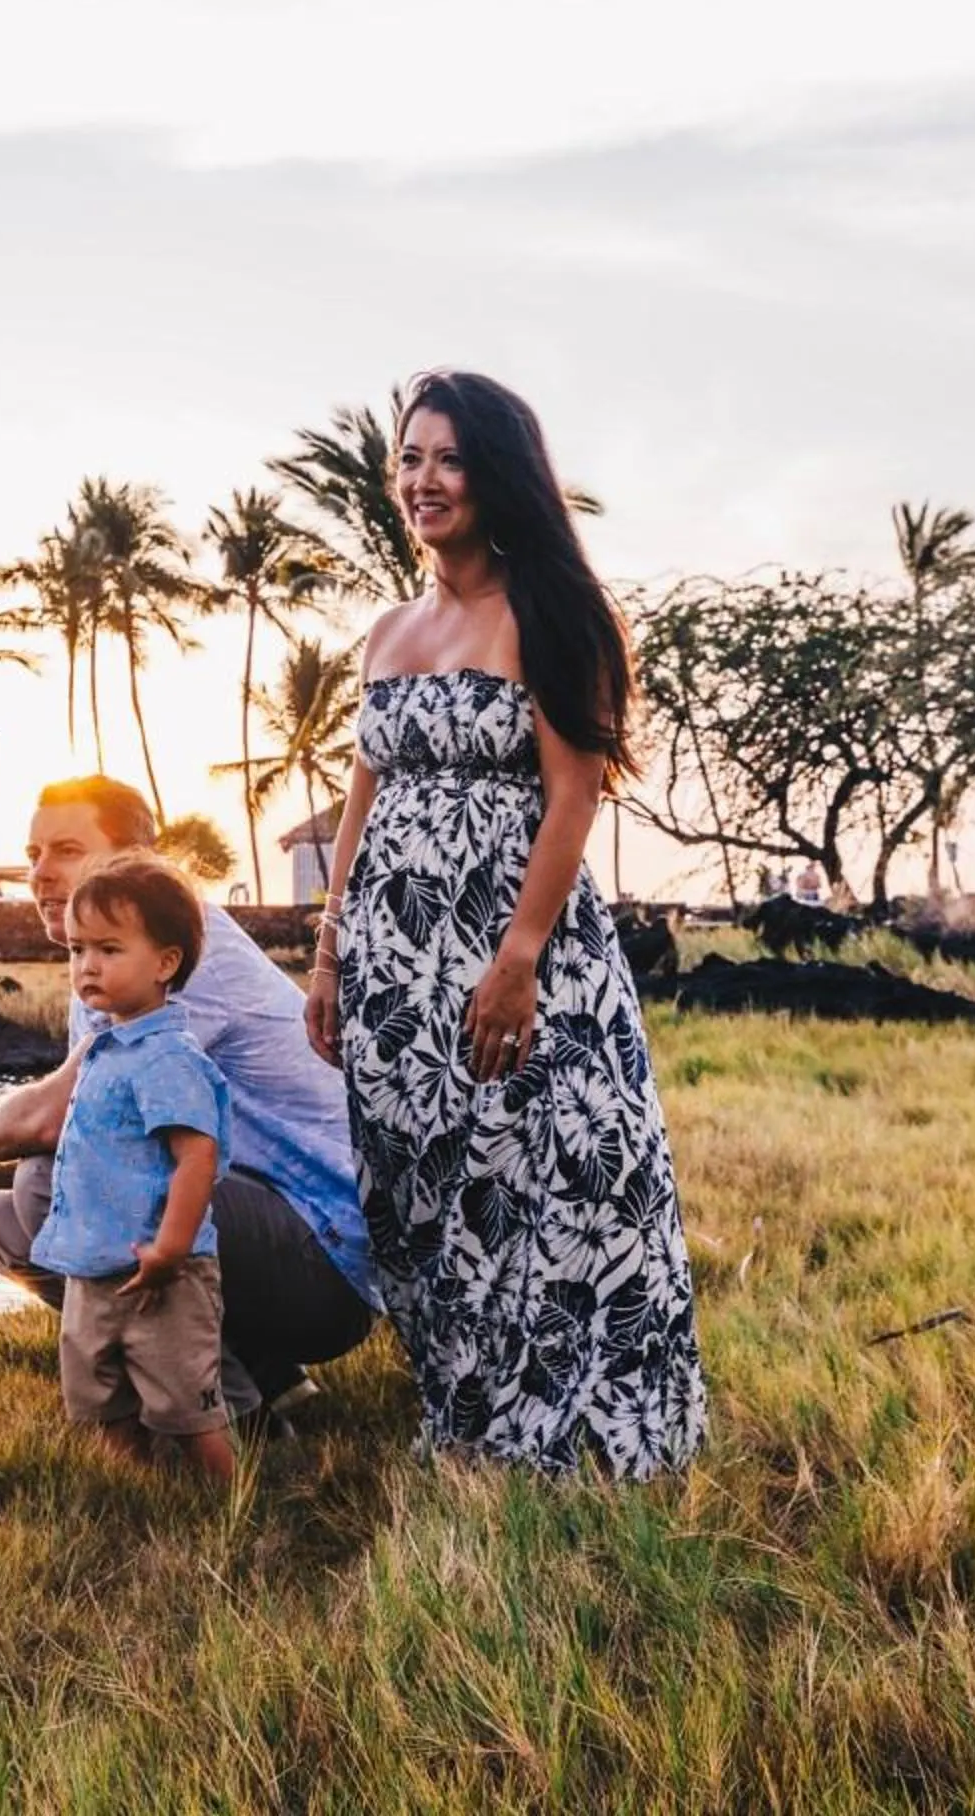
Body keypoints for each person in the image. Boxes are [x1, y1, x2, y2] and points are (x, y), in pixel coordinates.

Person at [305, 367, 705, 1480]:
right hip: (394, 965)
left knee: (563, 1172)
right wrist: (330, 949)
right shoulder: (387, 631)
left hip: (521, 953)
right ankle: (469, 1421)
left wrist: (519, 958)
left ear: (496, 476)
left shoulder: (549, 613)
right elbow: (362, 797)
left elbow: (574, 793)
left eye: (448, 460)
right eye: (410, 459)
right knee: (421, 1190)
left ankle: (586, 1435)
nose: (423, 481)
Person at [0, 775, 379, 1426]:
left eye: (68, 851)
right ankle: (265, 1381)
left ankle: (231, 1419)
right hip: (253, 1229)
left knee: (50, 1182)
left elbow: (58, 1119)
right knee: (3, 1224)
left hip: (321, 1259)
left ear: (138, 861)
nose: (42, 874)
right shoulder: (109, 968)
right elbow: (102, 1129)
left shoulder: (183, 949)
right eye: (34, 854)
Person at [37, 851, 237, 1482]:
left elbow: (196, 1154)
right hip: (93, 1262)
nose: (87, 966)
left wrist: (171, 1248)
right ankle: (136, 1492)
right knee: (98, 1398)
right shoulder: (105, 1046)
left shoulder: (165, 1055)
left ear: (165, 962)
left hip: (162, 1271)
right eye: (76, 950)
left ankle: (221, 1499)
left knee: (184, 1400)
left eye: (109, 949)